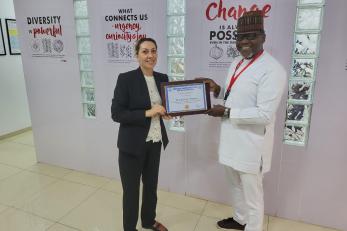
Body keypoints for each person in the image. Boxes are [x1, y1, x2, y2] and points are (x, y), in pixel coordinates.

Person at [203, 11, 287, 231]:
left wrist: (227, 113)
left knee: (252, 193)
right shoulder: (237, 62)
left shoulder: (273, 69)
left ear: (263, 37)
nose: (244, 42)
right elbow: (235, 96)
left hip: (252, 144)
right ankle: (241, 219)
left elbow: (264, 114)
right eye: (240, 37)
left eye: (251, 36)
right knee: (234, 186)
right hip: (231, 139)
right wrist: (217, 89)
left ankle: (254, 227)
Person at [111, 38, 170, 231]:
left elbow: (166, 107)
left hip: (154, 141)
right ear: (137, 55)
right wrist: (148, 112)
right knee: (131, 191)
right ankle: (129, 228)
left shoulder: (163, 77)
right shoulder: (126, 79)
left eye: (153, 51)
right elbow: (117, 114)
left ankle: (148, 220)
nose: (150, 55)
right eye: (145, 51)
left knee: (151, 186)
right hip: (131, 145)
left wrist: (167, 113)